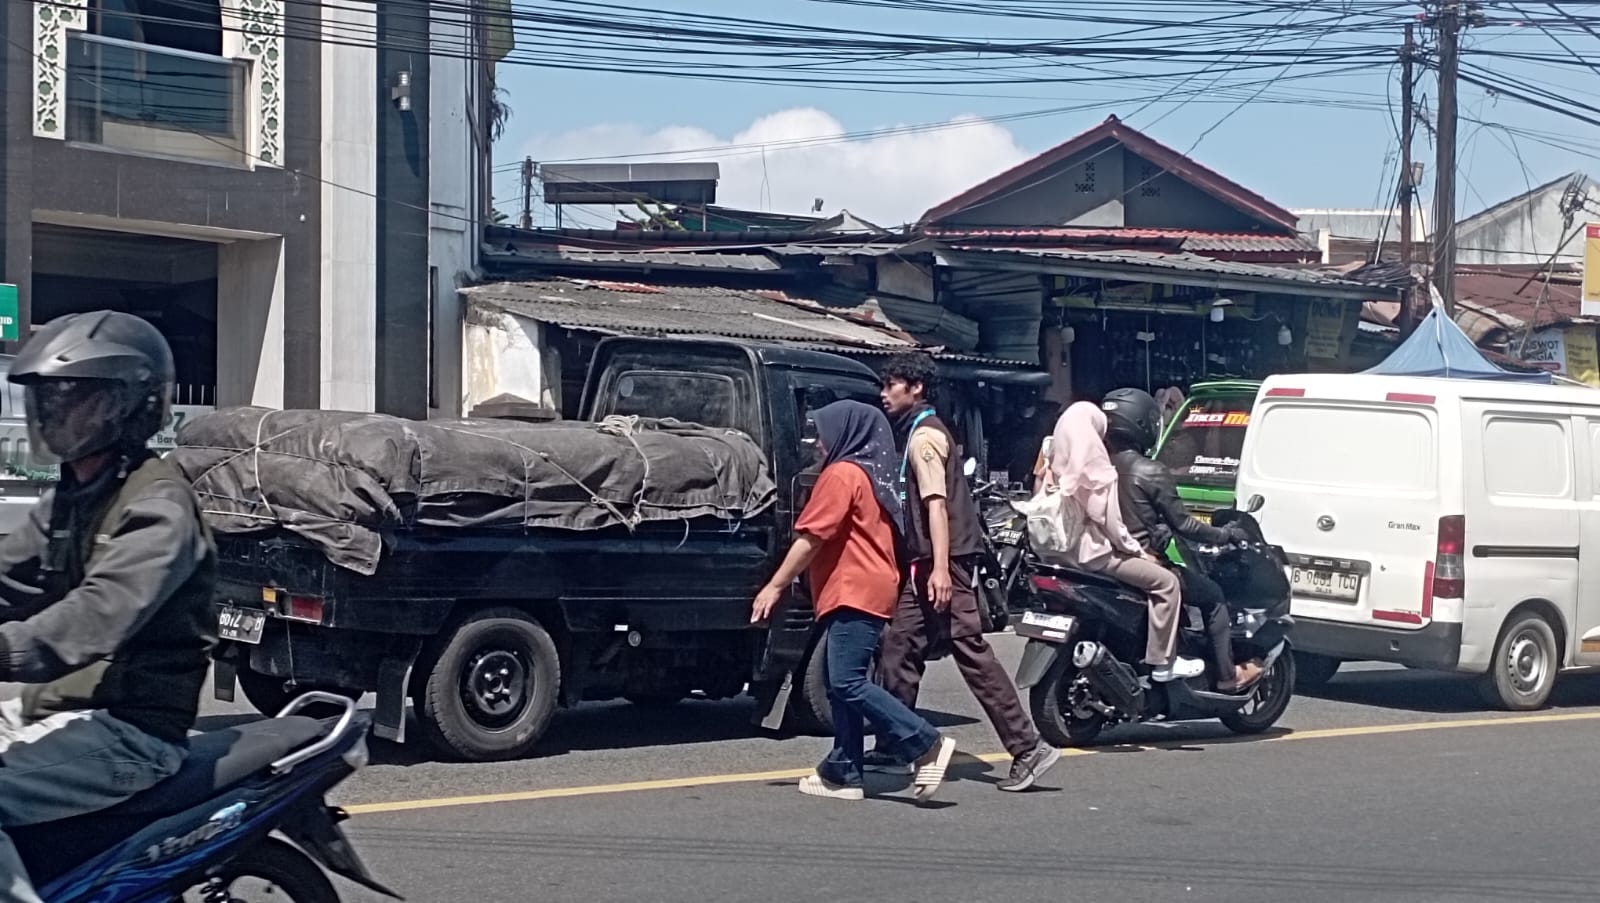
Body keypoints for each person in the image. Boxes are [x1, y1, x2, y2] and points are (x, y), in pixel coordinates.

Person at [0, 311, 217, 903]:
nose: (56, 414)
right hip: (56, 710)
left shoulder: (158, 504)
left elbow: (101, 611)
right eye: (48, 399)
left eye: (76, 399)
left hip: (131, 730)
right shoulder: (72, 497)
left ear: (126, 406)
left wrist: (8, 647)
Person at [868, 353, 1061, 793]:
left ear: (916, 388)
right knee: (900, 647)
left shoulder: (924, 439)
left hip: (944, 561)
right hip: (927, 561)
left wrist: (938, 569)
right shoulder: (919, 432)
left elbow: (936, 506)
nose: (884, 393)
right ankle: (896, 742)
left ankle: (1028, 747)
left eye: (892, 384)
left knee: (969, 651)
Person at [751, 400, 956, 804]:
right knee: (843, 681)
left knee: (845, 681)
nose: (818, 443)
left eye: (823, 434)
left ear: (846, 434)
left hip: (853, 589)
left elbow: (812, 537)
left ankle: (923, 740)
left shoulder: (842, 475)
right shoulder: (870, 476)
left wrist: (774, 585)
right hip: (868, 587)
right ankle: (845, 771)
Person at [1101, 388, 1263, 692]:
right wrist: (1226, 534)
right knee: (1213, 596)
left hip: (1101, 558)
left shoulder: (1096, 466)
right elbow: (1185, 524)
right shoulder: (1149, 470)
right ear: (1143, 424)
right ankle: (1228, 677)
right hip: (1141, 559)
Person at [1049, 401, 1204, 683]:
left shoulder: (1058, 463)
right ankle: (1163, 662)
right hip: (1095, 556)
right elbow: (1110, 524)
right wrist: (1140, 553)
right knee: (1167, 582)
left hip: (1063, 556)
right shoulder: (1096, 465)